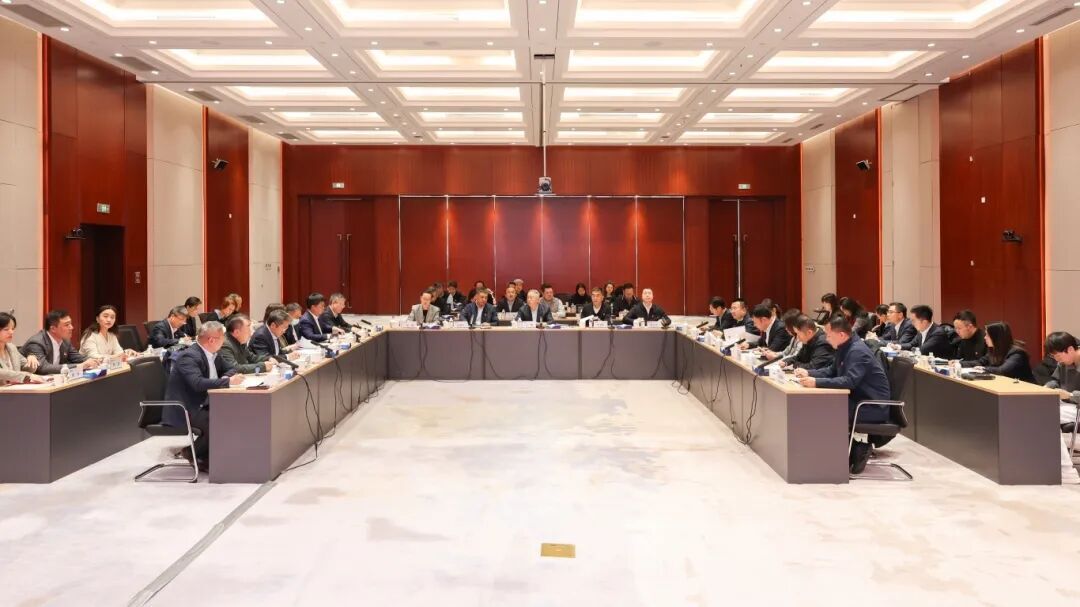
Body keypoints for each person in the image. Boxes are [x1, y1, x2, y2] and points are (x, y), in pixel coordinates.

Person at [794, 316, 891, 474]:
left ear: (841, 335)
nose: (826, 339)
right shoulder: (845, 346)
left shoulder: (857, 351)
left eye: (828, 335)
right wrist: (809, 373)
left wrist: (816, 382)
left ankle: (842, 454)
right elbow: (832, 371)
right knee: (816, 405)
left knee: (821, 409)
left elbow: (849, 381)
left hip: (871, 406)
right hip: (856, 400)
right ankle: (833, 453)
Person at [162, 321, 244, 472]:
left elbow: (232, 368)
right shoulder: (189, 357)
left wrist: (225, 377)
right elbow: (197, 383)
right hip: (186, 407)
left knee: (233, 414)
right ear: (212, 340)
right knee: (218, 421)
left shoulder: (213, 354)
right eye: (222, 338)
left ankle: (211, 455)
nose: (224, 341)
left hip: (205, 402)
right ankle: (193, 453)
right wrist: (227, 381)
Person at [1042, 332, 1080, 483]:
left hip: (1075, 405)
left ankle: (1066, 471)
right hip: (1070, 406)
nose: (1057, 360)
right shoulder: (1063, 363)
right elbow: (1055, 380)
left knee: (1049, 414)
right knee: (1038, 412)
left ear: (1069, 349)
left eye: (1058, 356)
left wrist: (1070, 395)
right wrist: (1048, 387)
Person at [21, 309, 99, 375]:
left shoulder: (65, 341)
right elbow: (43, 368)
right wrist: (80, 366)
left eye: (70, 323)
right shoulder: (36, 342)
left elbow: (78, 358)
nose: (71, 327)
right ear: (53, 329)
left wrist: (93, 360)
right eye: (67, 325)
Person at [961, 321, 1034, 383]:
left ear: (996, 337)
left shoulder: (1017, 353)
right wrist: (959, 364)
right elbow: (980, 362)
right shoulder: (994, 350)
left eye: (987, 335)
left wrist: (984, 369)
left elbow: (1002, 371)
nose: (984, 337)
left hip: (1025, 389)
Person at [0, 312, 44, 384]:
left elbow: (25, 368)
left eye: (12, 329)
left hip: (14, 389)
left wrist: (31, 359)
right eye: (6, 329)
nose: (11, 332)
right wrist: (26, 376)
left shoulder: (11, 347)